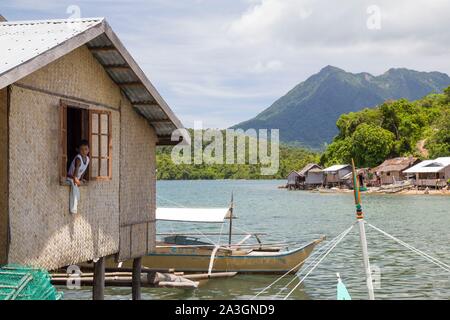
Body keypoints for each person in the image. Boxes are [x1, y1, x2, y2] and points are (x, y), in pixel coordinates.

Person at [66, 140, 90, 214]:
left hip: (76, 177)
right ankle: (73, 209)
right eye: (82, 149)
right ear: (78, 150)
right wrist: (77, 180)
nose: (84, 151)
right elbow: (75, 173)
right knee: (74, 190)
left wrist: (82, 178)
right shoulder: (78, 159)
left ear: (88, 150)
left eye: (85, 149)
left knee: (76, 190)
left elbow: (84, 169)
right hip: (70, 177)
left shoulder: (88, 159)